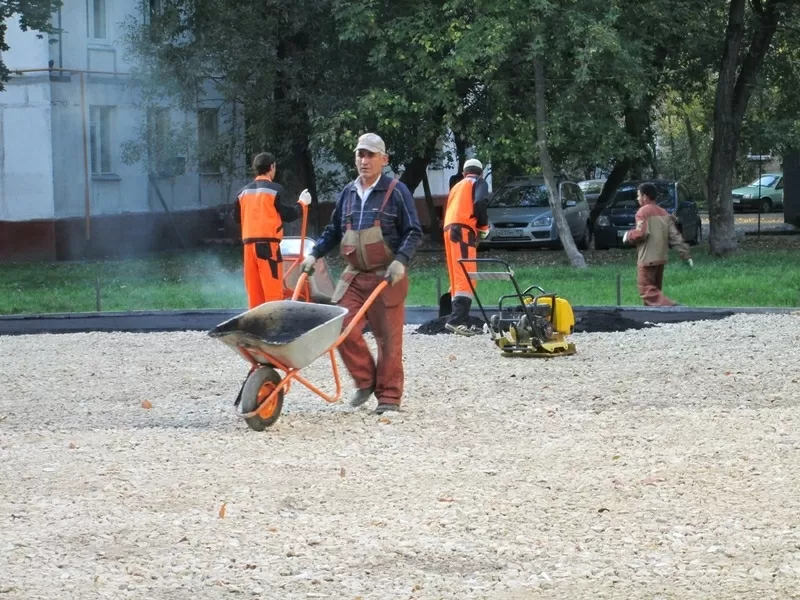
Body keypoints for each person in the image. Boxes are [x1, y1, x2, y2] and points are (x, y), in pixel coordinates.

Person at [300, 133, 423, 415]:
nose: (364, 160)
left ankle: (389, 398)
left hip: (386, 276)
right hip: (354, 275)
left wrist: (401, 260)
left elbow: (414, 230)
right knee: (339, 326)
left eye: (370, 155)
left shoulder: (396, 191)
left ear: (384, 159)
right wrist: (314, 253)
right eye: (360, 155)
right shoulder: (348, 192)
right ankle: (366, 380)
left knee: (388, 340)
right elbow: (334, 231)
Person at [233, 152, 311, 308]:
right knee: (273, 294)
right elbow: (288, 215)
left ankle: (257, 328)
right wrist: (302, 204)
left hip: (248, 249)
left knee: (255, 295)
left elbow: (235, 217)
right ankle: (276, 329)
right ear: (272, 167)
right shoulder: (275, 189)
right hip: (268, 248)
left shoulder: (242, 192)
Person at [623, 182, 693, 306]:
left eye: (638, 195)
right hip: (661, 258)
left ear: (645, 197)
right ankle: (656, 319)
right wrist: (685, 254)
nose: (637, 198)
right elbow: (675, 237)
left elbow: (641, 233)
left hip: (647, 258)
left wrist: (628, 235)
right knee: (655, 292)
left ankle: (673, 308)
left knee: (646, 290)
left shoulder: (642, 212)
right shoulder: (664, 212)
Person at [442, 158, 490, 335]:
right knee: (466, 274)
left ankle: (461, 319)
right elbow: (480, 203)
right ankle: (456, 320)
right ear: (481, 172)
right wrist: (483, 228)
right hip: (463, 230)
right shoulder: (478, 182)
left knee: (456, 274)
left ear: (463, 173)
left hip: (449, 230)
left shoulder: (457, 186)